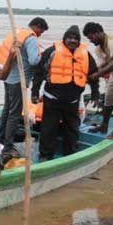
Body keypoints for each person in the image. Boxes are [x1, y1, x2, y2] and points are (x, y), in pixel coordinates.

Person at [31, 25, 100, 160]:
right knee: (49, 129)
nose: (72, 41)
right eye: (69, 38)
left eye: (76, 38)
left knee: (72, 130)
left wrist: (95, 93)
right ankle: (45, 156)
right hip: (52, 99)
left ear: (79, 41)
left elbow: (94, 75)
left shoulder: (86, 55)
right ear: (64, 39)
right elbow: (39, 73)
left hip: (72, 101)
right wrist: (34, 92)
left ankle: (70, 155)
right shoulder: (52, 51)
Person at [0, 17, 48, 161]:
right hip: (18, 79)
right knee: (15, 113)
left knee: (7, 109)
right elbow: (33, 60)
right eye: (41, 32)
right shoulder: (30, 38)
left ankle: (0, 139)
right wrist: (43, 55)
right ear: (37, 27)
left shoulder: (17, 32)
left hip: (7, 76)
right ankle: (8, 146)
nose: (40, 35)